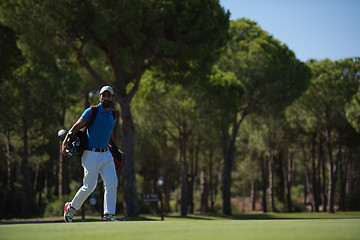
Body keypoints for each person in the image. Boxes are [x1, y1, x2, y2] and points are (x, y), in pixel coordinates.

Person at [62, 86, 119, 222]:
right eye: (103, 95)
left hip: (106, 154)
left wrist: (115, 149)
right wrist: (64, 143)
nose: (106, 98)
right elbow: (75, 127)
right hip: (90, 154)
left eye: (108, 95)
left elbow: (109, 132)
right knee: (89, 186)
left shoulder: (113, 114)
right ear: (99, 97)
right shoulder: (91, 111)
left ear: (112, 98)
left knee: (112, 183)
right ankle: (71, 207)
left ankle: (108, 215)